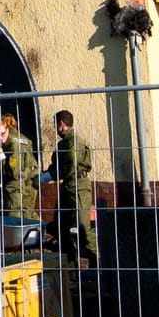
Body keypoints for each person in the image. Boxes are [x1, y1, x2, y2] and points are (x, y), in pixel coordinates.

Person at [46, 110, 97, 264]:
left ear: (61, 124)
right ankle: (71, 264)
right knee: (59, 226)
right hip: (67, 187)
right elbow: (56, 166)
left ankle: (98, 266)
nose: (56, 129)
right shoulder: (63, 144)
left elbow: (69, 167)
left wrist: (50, 176)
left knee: (84, 229)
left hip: (78, 186)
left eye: (56, 125)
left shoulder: (74, 141)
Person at [0, 114, 38, 219]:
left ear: (8, 128)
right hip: (30, 182)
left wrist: (1, 158)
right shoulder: (24, 139)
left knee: (14, 218)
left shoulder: (12, 143)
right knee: (27, 216)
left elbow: (13, 171)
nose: (0, 138)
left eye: (2, 134)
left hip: (16, 186)